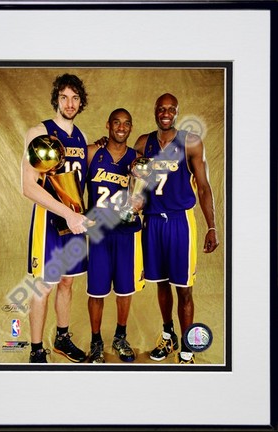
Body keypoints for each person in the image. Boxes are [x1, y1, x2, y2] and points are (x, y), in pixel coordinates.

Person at [134, 93, 219, 364]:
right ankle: (168, 334)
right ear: (155, 112)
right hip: (152, 222)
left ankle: (187, 348)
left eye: (171, 109)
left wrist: (212, 226)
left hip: (180, 222)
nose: (166, 112)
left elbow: (204, 187)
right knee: (160, 283)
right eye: (161, 108)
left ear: (177, 112)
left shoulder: (190, 142)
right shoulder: (143, 142)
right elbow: (131, 172)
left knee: (183, 288)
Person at [21, 73, 90, 363]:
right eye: (64, 97)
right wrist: (67, 213)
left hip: (74, 223)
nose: (70, 103)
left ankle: (62, 338)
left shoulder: (83, 137)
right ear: (56, 100)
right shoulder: (39, 132)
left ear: (81, 102)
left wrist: (77, 216)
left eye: (75, 98)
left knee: (67, 282)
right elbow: (27, 186)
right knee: (43, 285)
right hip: (49, 221)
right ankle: (37, 350)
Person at [86, 108, 144, 363]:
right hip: (98, 231)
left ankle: (120, 336)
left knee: (124, 289)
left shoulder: (137, 159)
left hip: (126, 232)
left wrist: (140, 202)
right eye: (117, 123)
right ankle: (96, 341)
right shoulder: (92, 153)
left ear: (131, 128)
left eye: (127, 124)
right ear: (108, 125)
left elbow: (144, 195)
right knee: (96, 292)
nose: (121, 127)